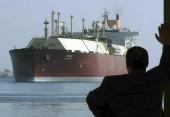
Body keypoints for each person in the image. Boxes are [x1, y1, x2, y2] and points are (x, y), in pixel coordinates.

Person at [86, 24, 170, 117]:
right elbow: (166, 65)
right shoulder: (156, 79)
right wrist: (166, 44)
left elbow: (91, 100)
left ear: (127, 64)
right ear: (147, 63)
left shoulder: (112, 83)